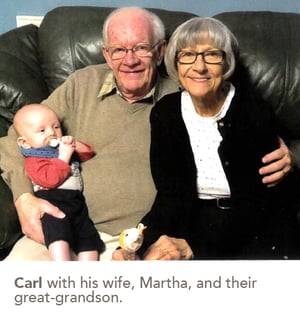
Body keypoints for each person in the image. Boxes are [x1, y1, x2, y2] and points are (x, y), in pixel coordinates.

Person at [0, 7, 293, 261]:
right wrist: (24, 198)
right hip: (63, 228)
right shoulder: (81, 84)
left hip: (143, 239)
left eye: (141, 47)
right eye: (118, 49)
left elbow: (250, 137)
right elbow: (17, 137)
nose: (130, 60)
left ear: (160, 51)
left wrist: (291, 156)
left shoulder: (185, 92)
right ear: (106, 53)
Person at [115, 17, 300, 260]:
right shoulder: (165, 113)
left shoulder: (254, 111)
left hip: (255, 230)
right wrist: (133, 247)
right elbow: (170, 197)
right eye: (188, 55)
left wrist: (193, 247)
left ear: (226, 63)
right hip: (193, 221)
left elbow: (260, 204)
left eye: (212, 55)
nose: (199, 66)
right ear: (176, 62)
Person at [13, 104, 104, 260]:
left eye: (56, 127)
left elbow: (88, 152)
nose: (52, 133)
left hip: (76, 204)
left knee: (88, 239)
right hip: (52, 204)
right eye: (42, 130)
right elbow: (50, 180)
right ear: (25, 143)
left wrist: (73, 144)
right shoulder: (34, 158)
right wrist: (64, 157)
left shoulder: (63, 148)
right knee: (58, 236)